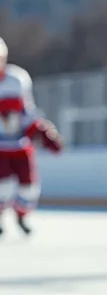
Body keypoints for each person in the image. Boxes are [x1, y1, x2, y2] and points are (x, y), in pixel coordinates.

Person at [0, 38, 63, 235]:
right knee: (4, 188)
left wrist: (42, 131)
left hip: (20, 144)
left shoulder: (17, 79)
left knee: (29, 188)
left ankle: (21, 215)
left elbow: (28, 112)